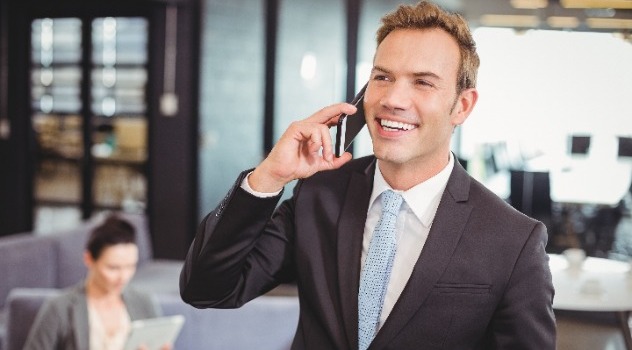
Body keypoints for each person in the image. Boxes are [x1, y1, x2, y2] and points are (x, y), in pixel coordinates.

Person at [180, 1, 556, 349]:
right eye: (382, 77)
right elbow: (206, 289)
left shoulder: (513, 241)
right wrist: (269, 177)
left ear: (462, 105)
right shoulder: (318, 196)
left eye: (422, 82)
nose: (393, 99)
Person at [24, 214, 172, 350]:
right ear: (89, 259)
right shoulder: (60, 308)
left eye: (130, 266)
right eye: (113, 268)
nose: (123, 277)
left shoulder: (143, 302)